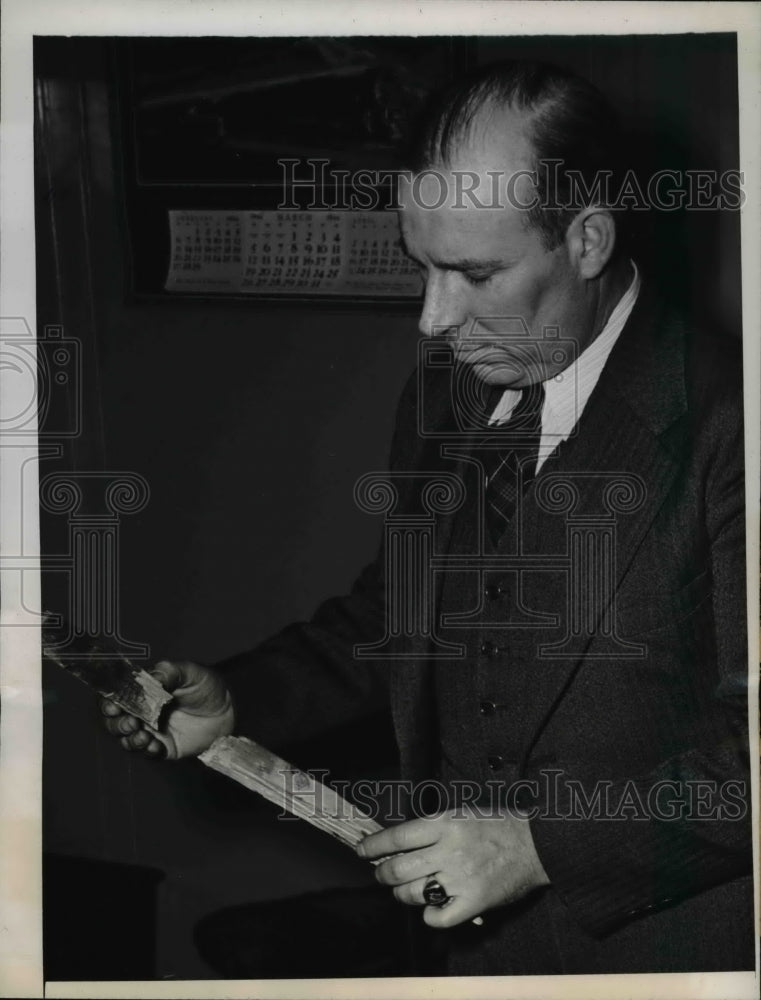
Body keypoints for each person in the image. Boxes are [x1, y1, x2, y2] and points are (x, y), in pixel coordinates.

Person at [100, 60, 752, 974]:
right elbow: (400, 617)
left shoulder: (733, 422)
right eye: (423, 266)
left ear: (588, 240)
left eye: (474, 272)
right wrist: (240, 700)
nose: (434, 318)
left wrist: (537, 847)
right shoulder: (449, 389)